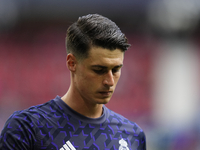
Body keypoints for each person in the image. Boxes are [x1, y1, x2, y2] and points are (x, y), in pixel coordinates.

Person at [0, 14, 146, 150]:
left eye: (116, 70)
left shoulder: (133, 135)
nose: (109, 81)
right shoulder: (27, 128)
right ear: (72, 63)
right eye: (99, 70)